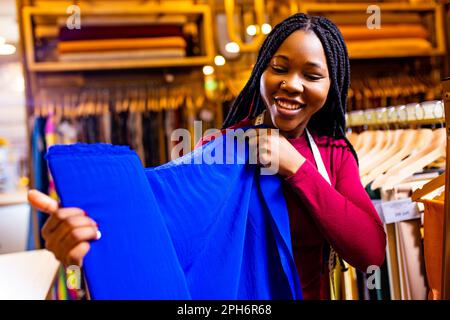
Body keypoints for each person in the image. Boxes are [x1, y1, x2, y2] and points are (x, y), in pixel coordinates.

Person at [28, 13, 386, 300]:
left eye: (312, 75)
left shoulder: (333, 155)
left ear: (331, 85)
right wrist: (90, 240)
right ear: (262, 70)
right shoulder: (222, 149)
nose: (292, 83)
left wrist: (296, 167)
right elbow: (164, 232)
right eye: (279, 67)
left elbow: (370, 251)